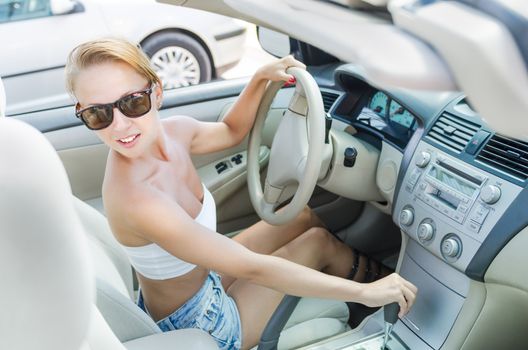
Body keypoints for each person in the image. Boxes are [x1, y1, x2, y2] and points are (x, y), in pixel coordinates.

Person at [65, 38, 417, 350]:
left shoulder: (174, 132)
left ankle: (383, 283)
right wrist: (363, 292)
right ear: (82, 114)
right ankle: (383, 296)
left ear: (156, 92)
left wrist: (261, 78)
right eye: (97, 114)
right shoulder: (138, 200)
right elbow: (252, 267)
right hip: (200, 323)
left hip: (205, 278)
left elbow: (232, 131)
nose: (120, 125)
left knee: (300, 216)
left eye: (132, 102)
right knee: (317, 244)